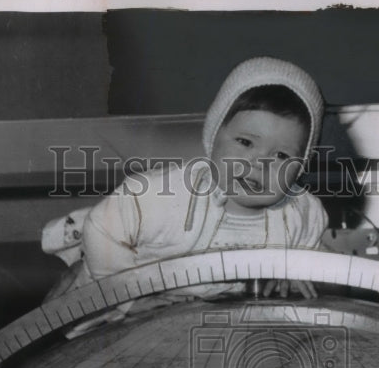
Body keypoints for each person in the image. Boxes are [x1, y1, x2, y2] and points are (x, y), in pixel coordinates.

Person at [41, 56, 328, 307]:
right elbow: (103, 228)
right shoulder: (165, 196)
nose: (258, 164)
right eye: (245, 142)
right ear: (213, 137)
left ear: (300, 166)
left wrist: (295, 272)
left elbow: (324, 263)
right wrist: (129, 299)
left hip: (205, 324)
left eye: (280, 155)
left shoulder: (300, 214)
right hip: (110, 300)